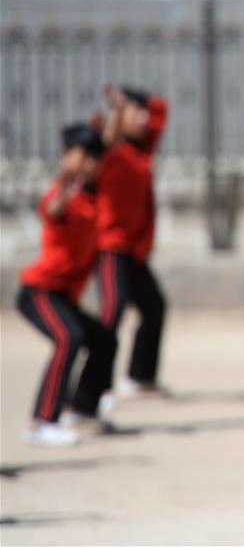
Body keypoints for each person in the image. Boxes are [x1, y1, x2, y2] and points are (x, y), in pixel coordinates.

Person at [17, 124, 117, 446]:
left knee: (103, 340)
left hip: (64, 296)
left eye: (94, 158)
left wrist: (111, 126)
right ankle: (43, 421)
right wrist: (65, 193)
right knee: (67, 338)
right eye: (81, 156)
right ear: (65, 158)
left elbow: (113, 150)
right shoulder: (63, 193)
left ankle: (82, 408)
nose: (88, 164)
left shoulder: (94, 195)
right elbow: (52, 209)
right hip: (39, 292)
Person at [93, 84, 169, 397]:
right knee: (112, 314)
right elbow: (108, 140)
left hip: (135, 250)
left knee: (154, 307)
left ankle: (139, 377)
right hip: (111, 247)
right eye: (135, 113)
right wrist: (117, 110)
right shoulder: (113, 151)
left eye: (143, 113)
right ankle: (96, 387)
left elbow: (162, 110)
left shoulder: (143, 149)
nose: (142, 118)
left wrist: (133, 99)